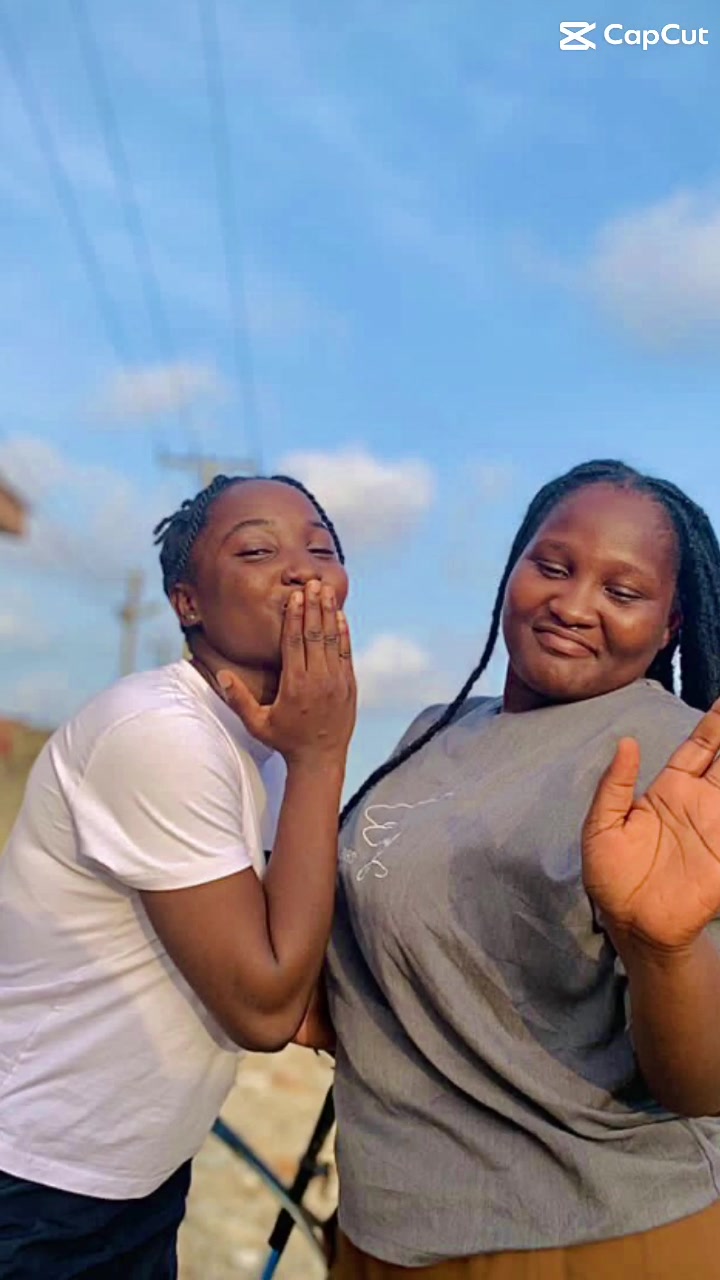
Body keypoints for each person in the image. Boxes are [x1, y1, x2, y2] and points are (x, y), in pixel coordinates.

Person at [325, 459, 720, 1279]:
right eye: (554, 566)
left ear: (671, 624)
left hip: (592, 1232)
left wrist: (665, 949)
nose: (574, 605)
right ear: (513, 566)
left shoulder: (682, 768)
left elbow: (704, 1084)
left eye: (623, 591)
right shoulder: (432, 731)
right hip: (391, 1220)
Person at [0, 473, 356, 1279]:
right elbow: (266, 1008)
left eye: (322, 549)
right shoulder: (162, 734)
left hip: (137, 1177)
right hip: (32, 1177)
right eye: (257, 551)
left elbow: (300, 969)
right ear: (187, 603)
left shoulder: (269, 752)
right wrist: (323, 755)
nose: (301, 571)